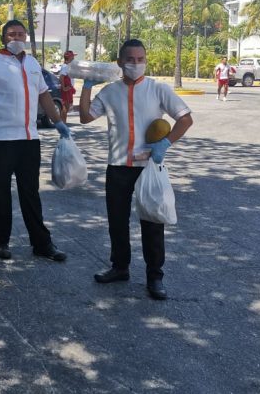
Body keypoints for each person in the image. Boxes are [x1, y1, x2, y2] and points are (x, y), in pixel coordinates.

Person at [79, 39, 193, 300]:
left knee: (152, 222)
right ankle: (120, 267)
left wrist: (166, 142)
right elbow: (85, 117)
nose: (136, 64)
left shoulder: (157, 90)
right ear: (120, 62)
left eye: (140, 59)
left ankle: (155, 277)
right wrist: (86, 87)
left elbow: (185, 118)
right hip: (117, 166)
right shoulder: (109, 91)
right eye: (130, 59)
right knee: (117, 222)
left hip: (148, 166)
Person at [0, 20, 70, 262]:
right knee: (0, 193)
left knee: (30, 192)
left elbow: (44, 94)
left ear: (25, 37)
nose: (16, 38)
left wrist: (58, 122)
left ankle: (42, 243)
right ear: (3, 38)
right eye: (11, 34)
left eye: (20, 34)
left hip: (29, 139)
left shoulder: (33, 63)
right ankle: (1, 242)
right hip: (0, 139)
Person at [58, 50, 77, 123]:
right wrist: (64, 88)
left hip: (69, 89)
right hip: (66, 90)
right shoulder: (66, 66)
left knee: (66, 108)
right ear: (70, 57)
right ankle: (63, 124)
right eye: (73, 56)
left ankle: (63, 124)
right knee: (65, 108)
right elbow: (61, 77)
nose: (74, 58)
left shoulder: (67, 66)